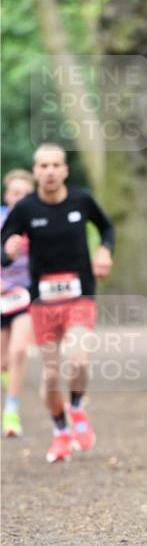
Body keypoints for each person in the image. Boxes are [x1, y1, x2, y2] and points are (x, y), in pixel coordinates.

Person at [0, 144, 114, 462]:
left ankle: (76, 407)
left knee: (77, 360)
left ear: (65, 170)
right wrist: (8, 252)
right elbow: (3, 249)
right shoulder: (25, 209)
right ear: (35, 172)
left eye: (55, 165)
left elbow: (106, 227)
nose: (50, 171)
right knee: (50, 377)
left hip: (79, 297)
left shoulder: (82, 200)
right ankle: (60, 431)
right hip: (42, 303)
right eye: (43, 166)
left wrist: (104, 250)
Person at [1, 169, 35, 437]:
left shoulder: (37, 222)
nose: (20, 198)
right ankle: (8, 377)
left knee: (19, 350)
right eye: (16, 193)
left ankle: (11, 412)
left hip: (25, 296)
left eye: (26, 194)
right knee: (3, 359)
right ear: (7, 196)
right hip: (1, 296)